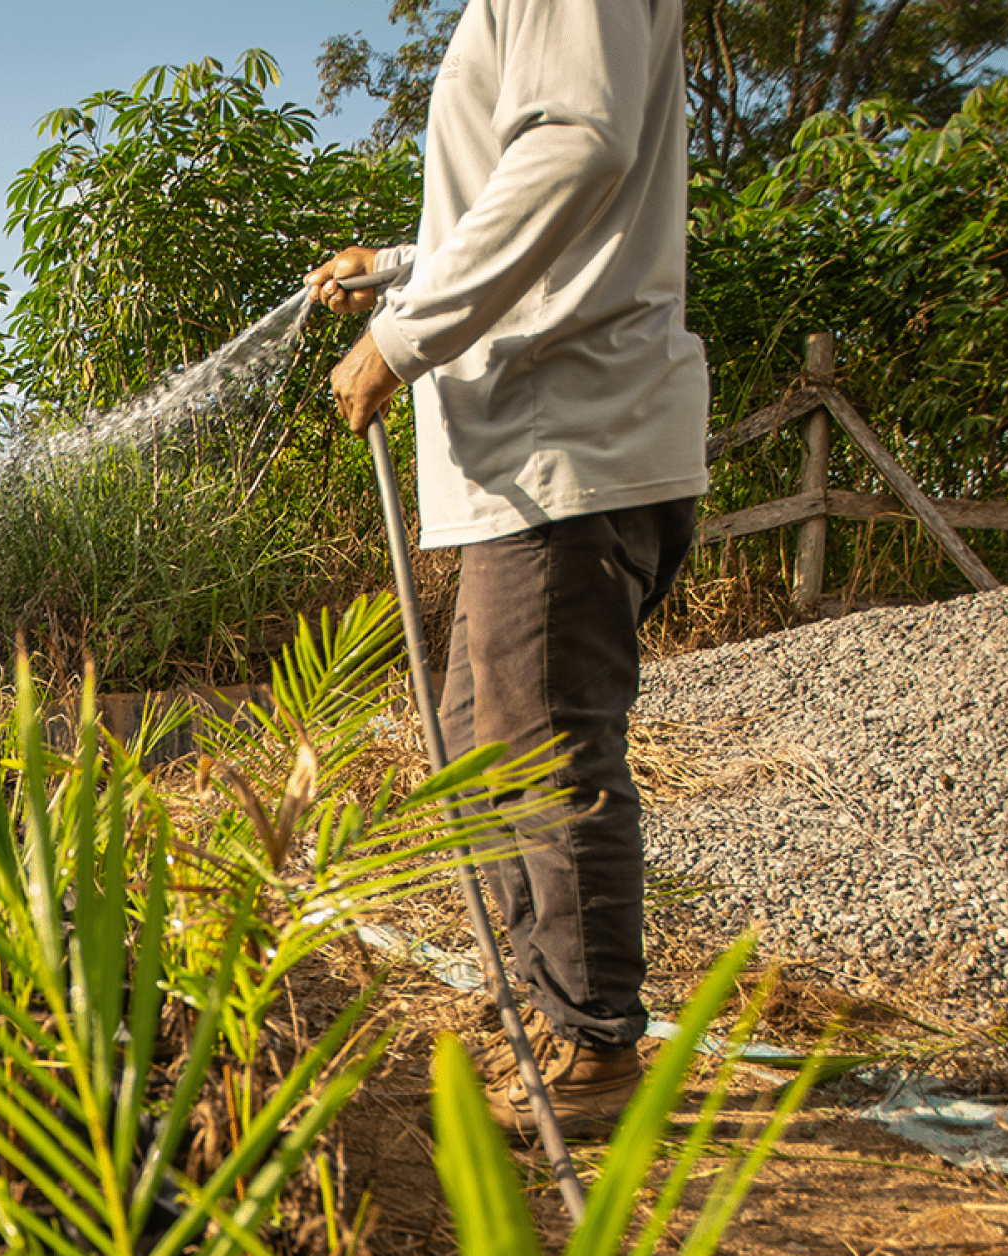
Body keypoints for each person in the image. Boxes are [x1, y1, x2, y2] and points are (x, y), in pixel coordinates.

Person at [306, 0, 708, 1140]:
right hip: (541, 448)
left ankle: (593, 1048)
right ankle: (549, 1010)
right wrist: (395, 269)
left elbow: (577, 147)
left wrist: (400, 336)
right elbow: (524, 200)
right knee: (486, 743)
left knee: (539, 750)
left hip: (562, 443)